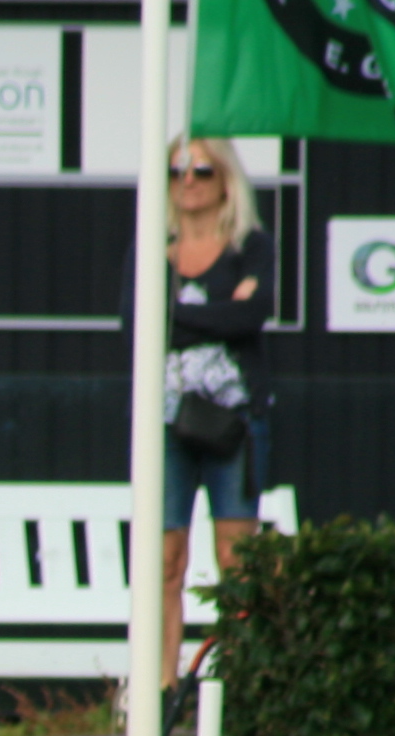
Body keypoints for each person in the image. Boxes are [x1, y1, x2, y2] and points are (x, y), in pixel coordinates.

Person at [150, 136, 270, 684]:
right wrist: (221, 311)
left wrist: (176, 315)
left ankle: (235, 681)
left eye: (201, 168)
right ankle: (160, 684)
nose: (188, 180)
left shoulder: (250, 245)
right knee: (164, 559)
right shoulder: (151, 247)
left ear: (225, 177)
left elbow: (251, 320)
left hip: (235, 421)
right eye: (177, 170)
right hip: (167, 422)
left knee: (236, 559)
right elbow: (137, 322)